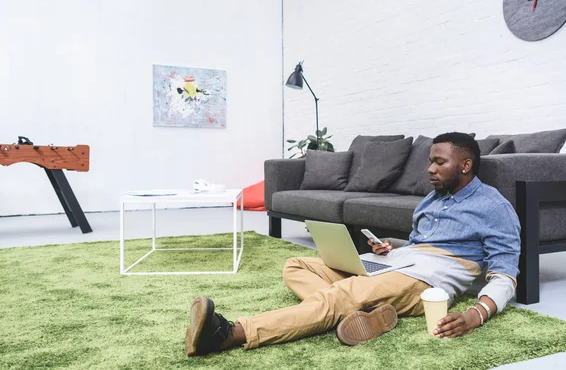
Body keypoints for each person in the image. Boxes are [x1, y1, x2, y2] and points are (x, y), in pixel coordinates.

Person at [185, 132, 521, 356]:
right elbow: (419, 242)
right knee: (297, 264)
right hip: (400, 264)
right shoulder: (433, 199)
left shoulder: (493, 206)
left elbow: (505, 273)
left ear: (466, 165)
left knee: (340, 294)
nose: (429, 169)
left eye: (439, 162)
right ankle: (366, 315)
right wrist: (390, 248)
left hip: (428, 280)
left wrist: (478, 313)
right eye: (430, 161)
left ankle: (230, 334)